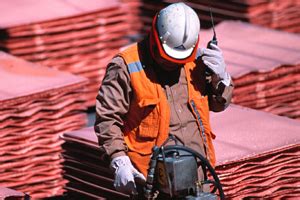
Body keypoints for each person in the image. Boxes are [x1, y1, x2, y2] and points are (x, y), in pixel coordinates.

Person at [94, 2, 234, 197]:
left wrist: (222, 79)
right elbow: (107, 119)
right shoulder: (125, 66)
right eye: (166, 59)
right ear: (155, 39)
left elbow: (218, 104)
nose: (171, 65)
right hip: (152, 183)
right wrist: (118, 159)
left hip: (198, 174)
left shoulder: (198, 61)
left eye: (177, 62)